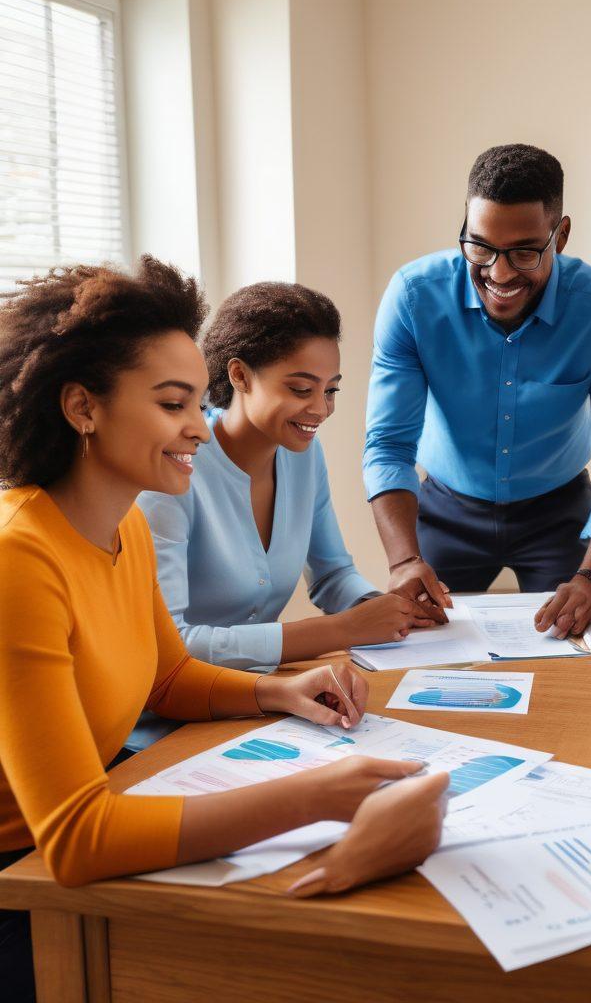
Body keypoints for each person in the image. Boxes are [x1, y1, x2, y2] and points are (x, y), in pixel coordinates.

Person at [0, 259, 448, 1002]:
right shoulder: (20, 558)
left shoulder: (125, 527)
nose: (195, 430)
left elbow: (168, 676)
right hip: (24, 885)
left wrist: (281, 692)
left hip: (99, 816)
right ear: (83, 407)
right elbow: (75, 840)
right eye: (174, 404)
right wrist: (318, 795)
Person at [130, 282, 440, 749]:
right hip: (167, 727)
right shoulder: (172, 474)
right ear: (239, 375)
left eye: (330, 390)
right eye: (300, 389)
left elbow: (333, 574)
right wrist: (340, 630)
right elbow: (174, 646)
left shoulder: (302, 457)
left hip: (264, 708)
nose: (320, 409)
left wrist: (384, 609)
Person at [363, 143, 591, 639]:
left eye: (524, 252)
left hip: (559, 513)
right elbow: (389, 445)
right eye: (480, 247)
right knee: (425, 651)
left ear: (560, 236)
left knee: (577, 652)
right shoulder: (413, 297)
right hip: (446, 508)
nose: (498, 273)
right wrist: (403, 560)